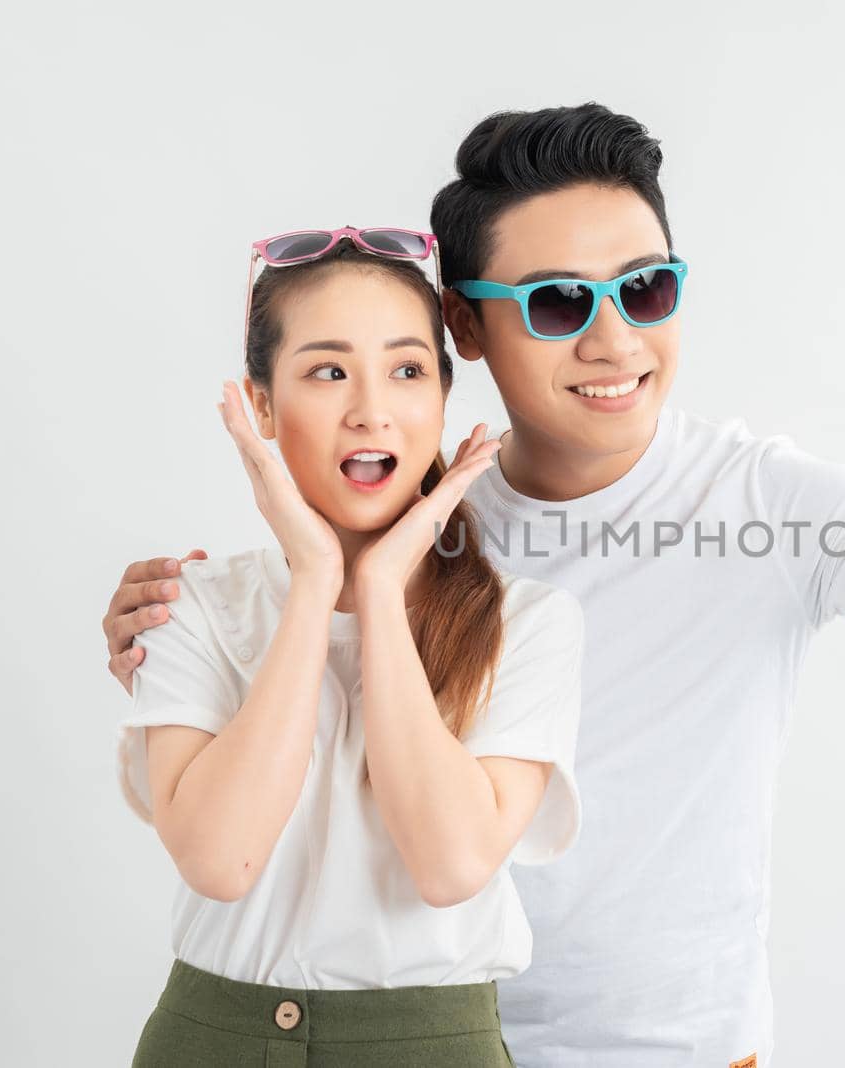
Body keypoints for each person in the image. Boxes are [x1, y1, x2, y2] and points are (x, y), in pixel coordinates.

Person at [103, 105, 845, 1067]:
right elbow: (275, 677)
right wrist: (172, 633)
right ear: (466, 325)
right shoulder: (398, 507)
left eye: (645, 290)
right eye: (555, 303)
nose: (612, 340)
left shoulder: (766, 508)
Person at [116, 232, 583, 1067]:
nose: (370, 409)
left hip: (433, 1046)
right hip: (208, 1042)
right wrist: (312, 585)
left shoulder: (532, 623)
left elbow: (449, 866)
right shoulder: (192, 606)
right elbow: (222, 861)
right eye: (327, 371)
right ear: (261, 407)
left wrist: (377, 597)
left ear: (443, 394)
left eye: (407, 370)